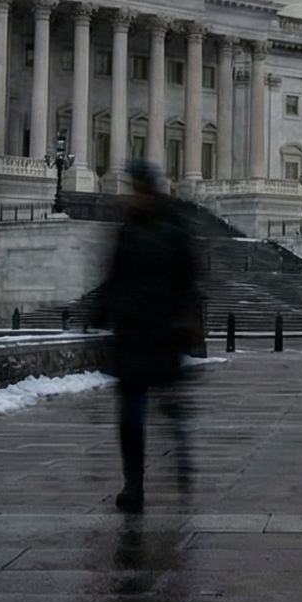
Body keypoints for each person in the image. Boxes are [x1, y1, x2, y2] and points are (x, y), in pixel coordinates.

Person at [96, 159, 203, 512]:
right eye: (132, 189)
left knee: (170, 408)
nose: (135, 196)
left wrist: (188, 321)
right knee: (130, 416)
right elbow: (113, 275)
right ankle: (133, 483)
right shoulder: (127, 230)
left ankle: (182, 454)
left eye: (139, 189)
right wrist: (98, 312)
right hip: (131, 334)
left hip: (163, 332)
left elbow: (191, 279)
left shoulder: (174, 229)